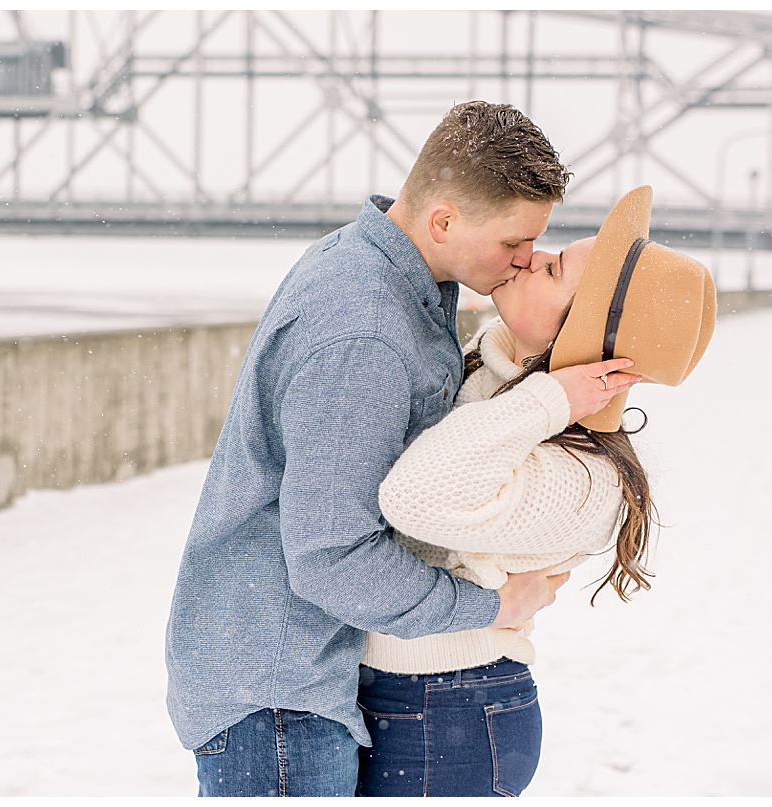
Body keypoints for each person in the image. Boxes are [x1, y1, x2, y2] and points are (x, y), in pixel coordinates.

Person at [164, 100, 623, 797]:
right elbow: (331, 557)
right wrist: (492, 607)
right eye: (515, 243)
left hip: (286, 672)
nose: (527, 259)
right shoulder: (368, 331)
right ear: (444, 220)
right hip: (281, 692)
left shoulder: (375, 275)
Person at [356, 185, 717, 797]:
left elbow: (413, 496)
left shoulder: (584, 478)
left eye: (551, 270)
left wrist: (552, 396)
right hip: (397, 694)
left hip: (454, 711)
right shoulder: (485, 371)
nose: (528, 257)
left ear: (573, 339)